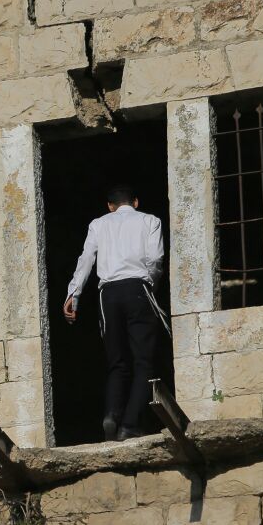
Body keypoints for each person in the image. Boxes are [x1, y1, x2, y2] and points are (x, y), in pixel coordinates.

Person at [63, 185, 167, 442]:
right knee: (143, 361)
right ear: (136, 202)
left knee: (117, 362)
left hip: (106, 295)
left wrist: (73, 295)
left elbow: (86, 259)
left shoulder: (98, 224)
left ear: (109, 206)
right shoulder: (150, 221)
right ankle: (130, 424)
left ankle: (111, 415)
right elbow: (155, 259)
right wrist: (150, 286)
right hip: (137, 288)